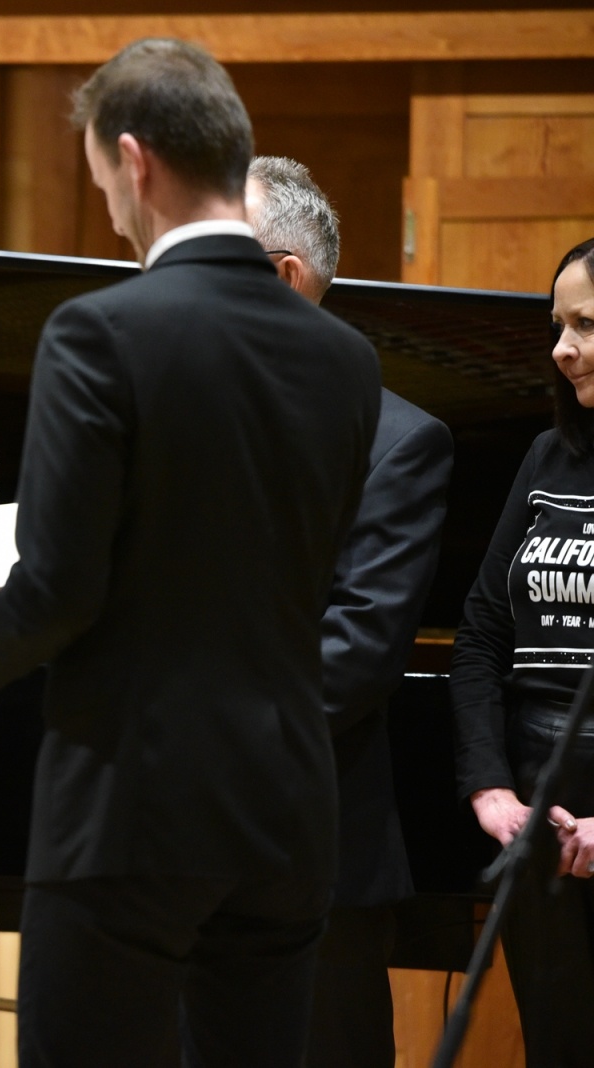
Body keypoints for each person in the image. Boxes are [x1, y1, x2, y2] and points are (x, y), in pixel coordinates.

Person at [0, 39, 382, 1066]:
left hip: (133, 802)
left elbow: (62, 584)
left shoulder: (99, 332)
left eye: (102, 180)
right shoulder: (345, 356)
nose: (111, 207)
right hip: (289, 805)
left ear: (134, 161)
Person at [245, 155, 454, 1068]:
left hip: (308, 852)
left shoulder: (398, 442)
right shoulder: (171, 414)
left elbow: (357, 654)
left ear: (284, 276)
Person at [450, 235, 594, 1068]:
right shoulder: (546, 458)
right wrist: (490, 786)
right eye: (557, 326)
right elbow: (479, 633)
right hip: (537, 816)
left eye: (586, 325)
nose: (562, 349)